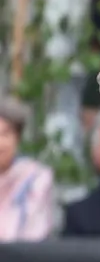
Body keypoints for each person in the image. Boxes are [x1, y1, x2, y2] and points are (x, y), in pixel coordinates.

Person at [0, 97, 54, 241]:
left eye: (5, 134)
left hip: (21, 253)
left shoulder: (35, 178)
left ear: (17, 138)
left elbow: (35, 232)